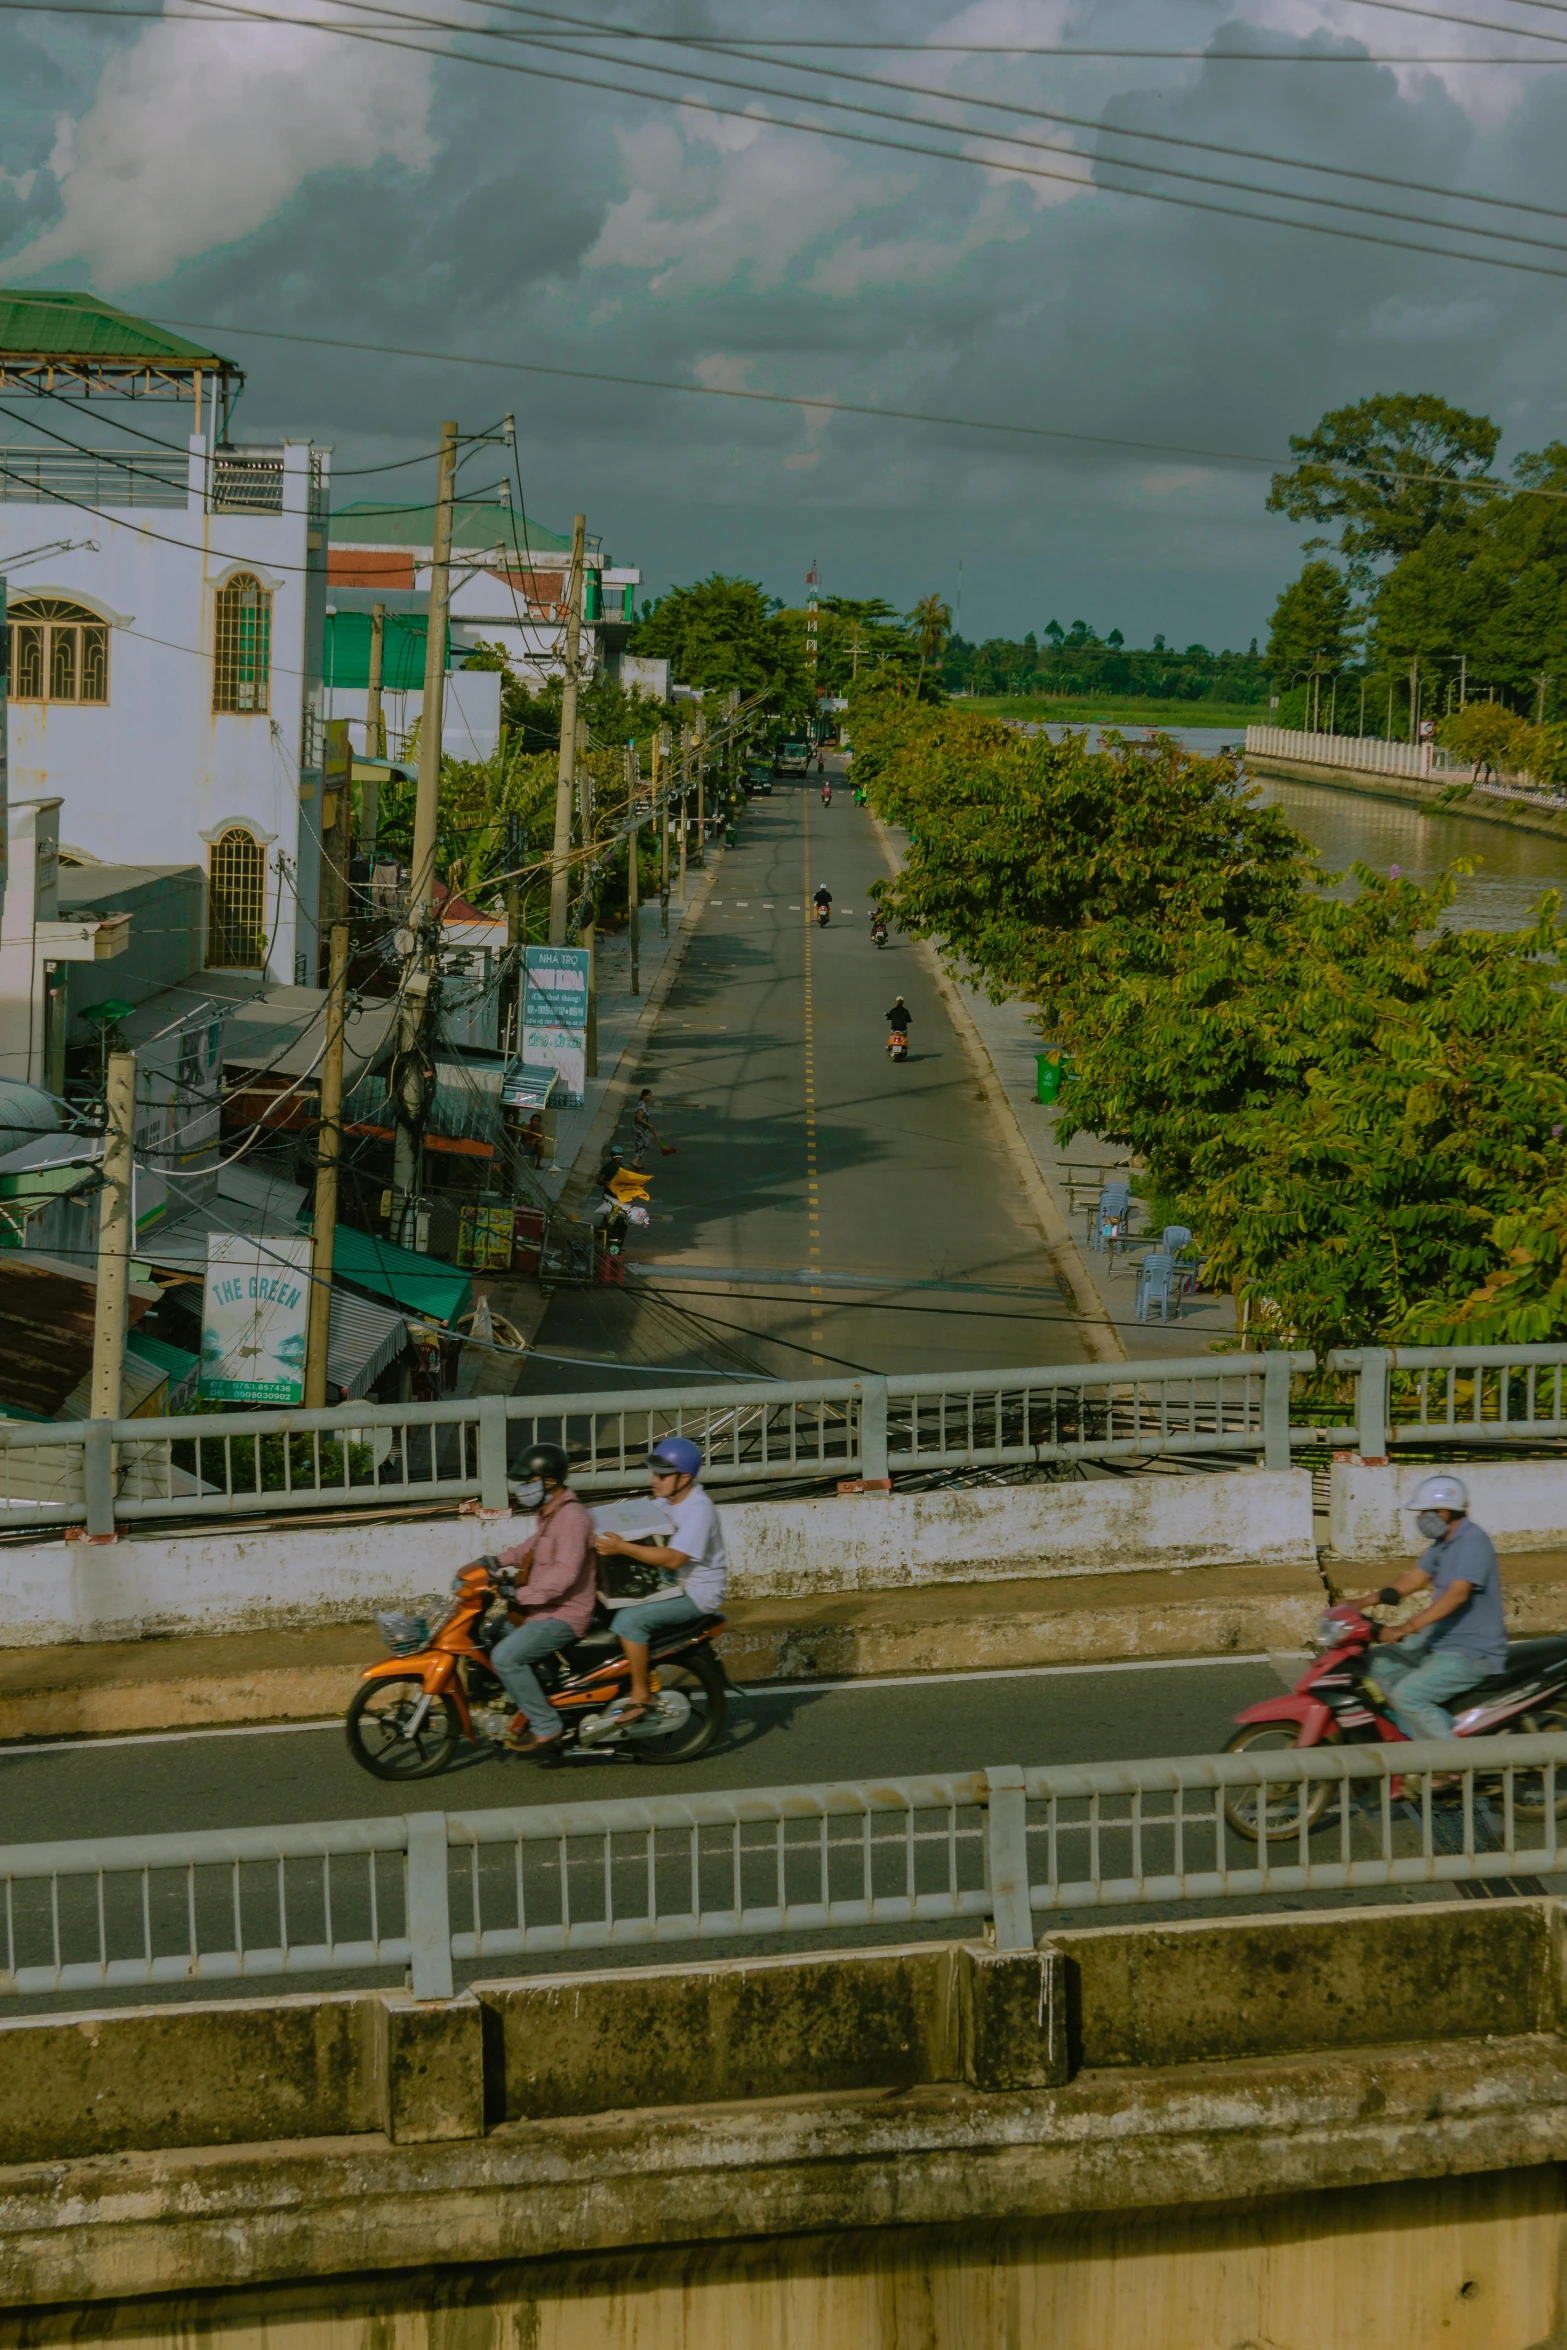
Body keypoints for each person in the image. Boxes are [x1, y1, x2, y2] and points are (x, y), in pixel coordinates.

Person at [1358, 1474, 1507, 1742]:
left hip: (1469, 1652)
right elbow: (1414, 1579)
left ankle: (1454, 1766)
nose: (1422, 1518)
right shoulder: (1444, 1544)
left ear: (1445, 1511)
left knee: (1409, 1696)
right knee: (1378, 1663)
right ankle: (1415, 1738)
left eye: (1427, 1511)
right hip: (1437, 1643)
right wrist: (1362, 1602)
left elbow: (1456, 1595)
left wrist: (1405, 1627)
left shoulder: (1472, 1542)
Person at [592, 1436, 728, 1729]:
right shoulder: (666, 1501)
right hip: (667, 1585)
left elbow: (674, 1559)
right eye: (653, 1473)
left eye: (662, 1476)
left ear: (685, 1478)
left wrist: (622, 1548)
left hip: (695, 1594)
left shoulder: (698, 1508)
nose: (655, 1480)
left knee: (630, 1622)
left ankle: (641, 1695)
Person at [481, 1443, 598, 1755]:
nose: (523, 1488)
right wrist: (496, 1560)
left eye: (528, 1481)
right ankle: (521, 1697)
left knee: (505, 1657)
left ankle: (547, 1725)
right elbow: (531, 1548)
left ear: (549, 1481)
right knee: (491, 1633)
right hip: (542, 1609)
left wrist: (520, 1594)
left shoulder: (572, 1518)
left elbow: (564, 1576)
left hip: (564, 1614)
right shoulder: (551, 1513)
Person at [633, 1085, 676, 1158]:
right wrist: (648, 1125)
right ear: (644, 1095)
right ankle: (635, 1161)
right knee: (645, 1145)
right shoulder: (642, 1106)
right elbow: (639, 1119)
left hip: (642, 1128)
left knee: (642, 1144)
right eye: (649, 1095)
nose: (650, 1097)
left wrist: (648, 1125)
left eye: (651, 1096)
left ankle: (637, 1162)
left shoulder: (643, 1104)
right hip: (639, 1129)